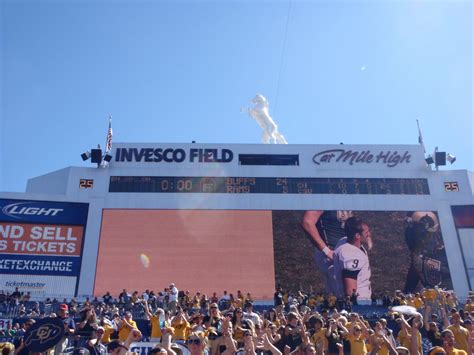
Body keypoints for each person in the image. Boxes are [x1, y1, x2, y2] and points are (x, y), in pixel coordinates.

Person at [301, 211, 354, 294]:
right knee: (345, 294)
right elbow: (307, 222)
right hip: (332, 252)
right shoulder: (323, 198)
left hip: (347, 252)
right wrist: (326, 250)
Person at [333, 217, 372, 302]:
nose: (369, 234)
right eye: (366, 232)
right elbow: (350, 291)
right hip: (359, 303)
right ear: (357, 236)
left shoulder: (344, 241)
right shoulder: (351, 255)